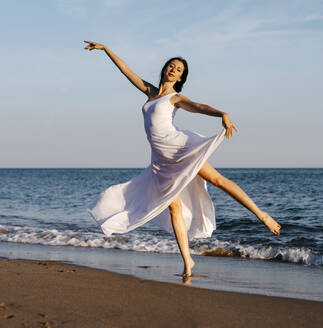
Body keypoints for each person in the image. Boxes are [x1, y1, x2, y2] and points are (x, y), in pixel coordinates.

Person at [84, 41, 281, 279]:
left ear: (180, 78)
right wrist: (106, 50)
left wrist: (222, 114)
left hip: (179, 148)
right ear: (165, 69)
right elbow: (127, 71)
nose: (173, 69)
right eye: (171, 65)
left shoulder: (175, 98)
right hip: (161, 160)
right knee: (174, 208)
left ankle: (262, 215)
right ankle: (188, 262)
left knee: (217, 179)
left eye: (178, 69)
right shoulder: (151, 92)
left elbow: (198, 106)